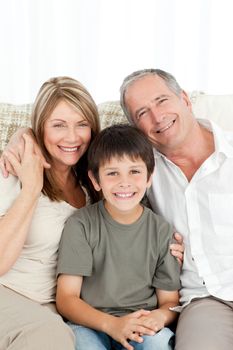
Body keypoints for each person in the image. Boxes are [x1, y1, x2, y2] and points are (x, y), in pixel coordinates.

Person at [120, 68, 233, 349]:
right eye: (142, 113)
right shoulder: (140, 171)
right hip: (205, 300)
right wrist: (23, 137)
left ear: (184, 98)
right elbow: (74, 147)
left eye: (162, 100)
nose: (158, 117)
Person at [56, 124, 181, 350]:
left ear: (149, 177)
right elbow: (66, 298)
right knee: (82, 344)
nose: (125, 182)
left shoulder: (162, 230)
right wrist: (111, 324)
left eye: (134, 171)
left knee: (158, 343)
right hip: (90, 323)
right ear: (95, 180)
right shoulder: (81, 225)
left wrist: (159, 318)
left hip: (140, 324)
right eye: (112, 173)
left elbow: (170, 302)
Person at [0, 76, 100, 349]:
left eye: (82, 124)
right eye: (58, 125)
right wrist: (31, 188)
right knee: (51, 334)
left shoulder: (94, 184)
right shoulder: (13, 169)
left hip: (49, 307)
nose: (72, 137)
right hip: (8, 294)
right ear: (40, 128)